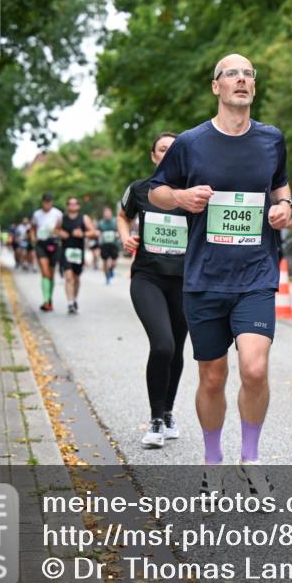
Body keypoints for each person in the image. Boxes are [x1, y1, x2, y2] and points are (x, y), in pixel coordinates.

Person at [149, 53, 292, 496]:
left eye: (248, 74)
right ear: (216, 86)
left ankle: (251, 459)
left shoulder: (271, 139)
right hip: (205, 278)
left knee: (255, 368)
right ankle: (213, 460)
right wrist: (181, 198)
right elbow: (156, 192)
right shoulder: (190, 143)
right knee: (212, 377)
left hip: (256, 275)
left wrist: (285, 207)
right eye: (232, 73)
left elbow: (281, 187)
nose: (241, 79)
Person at [120, 132, 189, 448]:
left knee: (176, 348)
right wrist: (126, 237)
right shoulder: (140, 188)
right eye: (162, 149)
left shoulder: (193, 192)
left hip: (184, 282)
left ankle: (169, 412)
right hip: (148, 278)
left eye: (174, 149)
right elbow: (123, 216)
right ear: (153, 156)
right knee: (162, 345)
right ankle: (156, 419)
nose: (168, 153)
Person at [56, 197, 97, 314]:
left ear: (78, 206)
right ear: (67, 206)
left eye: (75, 204)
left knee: (76, 278)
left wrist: (82, 234)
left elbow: (93, 232)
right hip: (66, 251)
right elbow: (55, 230)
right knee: (68, 277)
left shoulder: (84, 218)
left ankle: (74, 299)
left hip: (78, 252)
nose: (73, 205)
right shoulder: (62, 218)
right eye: (70, 204)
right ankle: (70, 303)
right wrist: (60, 233)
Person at [31, 193, 63, 311]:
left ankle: (49, 299)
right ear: (42, 202)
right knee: (44, 271)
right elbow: (33, 228)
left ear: (52, 202)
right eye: (45, 202)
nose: (47, 204)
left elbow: (61, 229)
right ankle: (45, 301)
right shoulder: (37, 214)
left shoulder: (58, 214)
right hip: (41, 243)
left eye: (49, 202)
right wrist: (33, 237)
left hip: (53, 243)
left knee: (51, 273)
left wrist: (55, 231)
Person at [97, 206, 120, 284]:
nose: (107, 215)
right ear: (104, 214)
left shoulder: (115, 221)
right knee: (105, 261)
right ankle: (107, 278)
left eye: (108, 213)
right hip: (104, 244)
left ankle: (111, 269)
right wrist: (98, 234)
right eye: (106, 213)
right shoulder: (101, 223)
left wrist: (118, 234)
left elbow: (120, 230)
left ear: (111, 214)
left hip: (114, 244)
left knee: (114, 262)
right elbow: (98, 231)